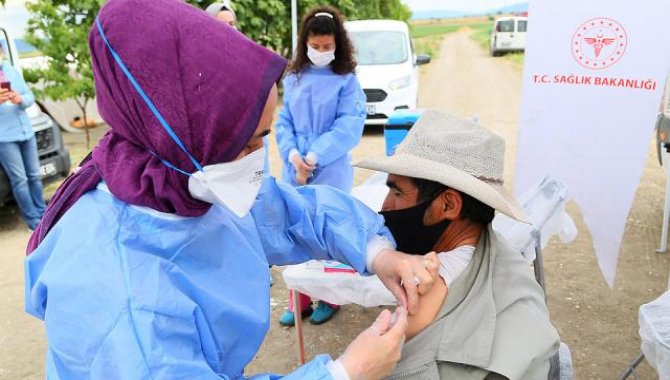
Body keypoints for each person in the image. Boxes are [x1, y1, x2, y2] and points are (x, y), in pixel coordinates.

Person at [24, 1, 441, 379]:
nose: (258, 158)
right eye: (247, 142)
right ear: (184, 136)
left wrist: (378, 254)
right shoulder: (129, 307)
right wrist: (345, 373)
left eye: (263, 137)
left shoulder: (184, 178)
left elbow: (288, 212)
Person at [356, 110, 560, 379]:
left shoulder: (429, 292)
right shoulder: (501, 256)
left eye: (397, 192)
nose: (385, 207)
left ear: (449, 205)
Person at [275, 6, 366, 327]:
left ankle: (330, 296)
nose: (322, 52)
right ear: (306, 43)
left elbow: (348, 126)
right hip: (296, 167)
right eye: (316, 47)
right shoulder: (295, 76)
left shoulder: (346, 80)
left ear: (337, 44)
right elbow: (284, 120)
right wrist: (292, 156)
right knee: (296, 231)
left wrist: (313, 158)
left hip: (329, 167)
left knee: (327, 232)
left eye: (328, 47)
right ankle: (298, 298)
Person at [0, 43, 46, 231]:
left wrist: (21, 99)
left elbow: (30, 96)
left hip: (26, 131)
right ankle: (33, 222)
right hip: (5, 137)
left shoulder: (11, 70)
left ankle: (44, 214)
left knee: (35, 175)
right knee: (20, 180)